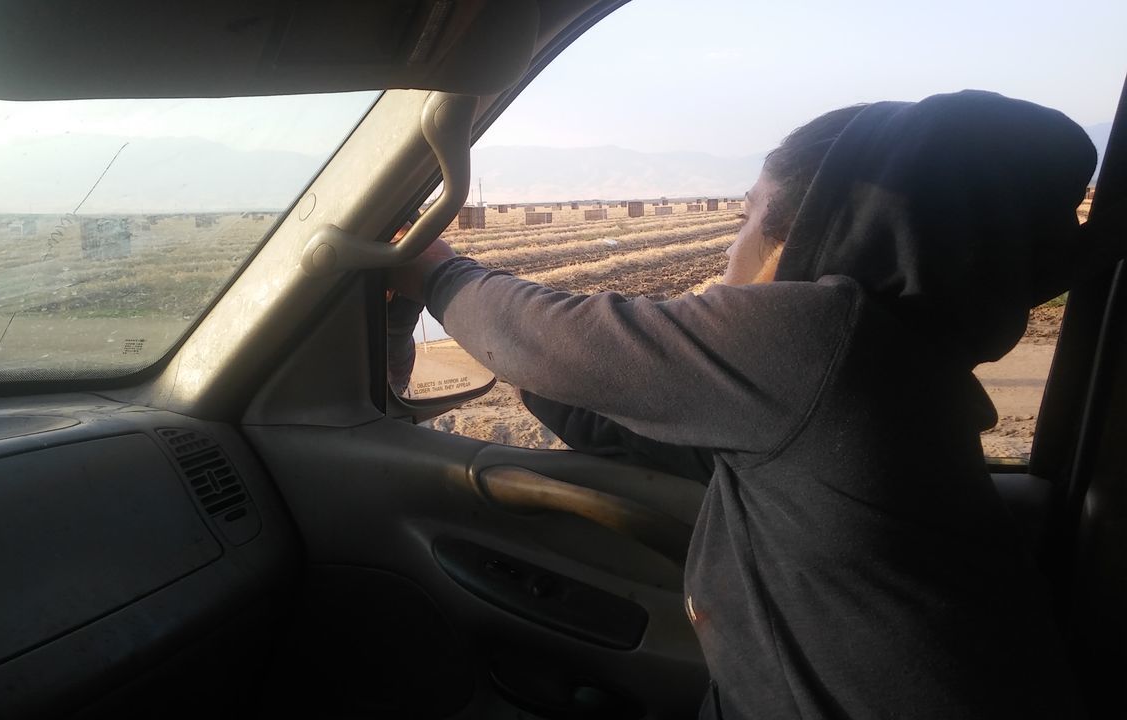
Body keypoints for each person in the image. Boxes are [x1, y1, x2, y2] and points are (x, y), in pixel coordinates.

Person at [387, 90, 1121, 719]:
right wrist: (558, 374)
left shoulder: (821, 338)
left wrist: (436, 270)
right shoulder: (881, 378)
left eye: (745, 218)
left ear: (808, 235)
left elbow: (553, 341)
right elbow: (601, 410)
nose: (731, 249)